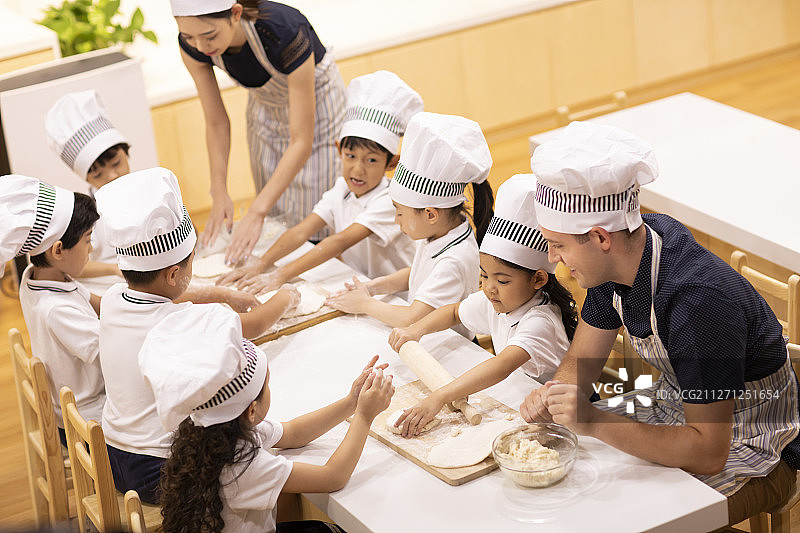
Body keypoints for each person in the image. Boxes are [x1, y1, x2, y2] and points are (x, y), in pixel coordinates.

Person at [519, 121, 800, 526]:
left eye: (558, 244)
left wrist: (593, 420)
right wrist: (557, 394)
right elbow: (582, 360)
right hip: (676, 400)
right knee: (580, 480)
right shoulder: (619, 261)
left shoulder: (698, 302)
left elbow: (709, 453)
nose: (552, 258)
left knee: (632, 517)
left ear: (600, 237)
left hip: (755, 440)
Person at [94, 167, 300, 503]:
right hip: (157, 469)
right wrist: (286, 296)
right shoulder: (180, 323)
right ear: (174, 273)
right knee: (251, 453)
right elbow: (255, 324)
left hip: (113, 454)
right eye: (192, 262)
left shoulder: (114, 298)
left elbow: (169, 294)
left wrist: (221, 293)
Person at [140, 304, 394, 533]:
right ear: (252, 410)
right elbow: (333, 477)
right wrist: (364, 416)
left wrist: (351, 402)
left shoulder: (208, 429)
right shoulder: (243, 466)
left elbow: (293, 432)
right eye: (267, 386)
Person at [387, 174, 576, 437]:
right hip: (522, 400)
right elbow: (454, 312)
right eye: (484, 276)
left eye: (502, 280)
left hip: (562, 415)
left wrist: (440, 396)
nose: (488, 288)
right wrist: (416, 330)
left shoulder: (540, 321)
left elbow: (501, 366)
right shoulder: (500, 299)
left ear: (538, 279)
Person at [172, 0, 346, 264]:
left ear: (235, 13)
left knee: (318, 219)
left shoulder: (284, 31)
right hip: (266, 110)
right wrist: (218, 191)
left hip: (318, 109)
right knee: (277, 216)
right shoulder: (193, 45)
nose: (201, 46)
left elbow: (302, 141)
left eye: (210, 36)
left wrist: (256, 211)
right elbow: (216, 122)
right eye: (189, 37)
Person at [217, 70, 421, 293]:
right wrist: (261, 264)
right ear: (339, 150)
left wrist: (280, 276)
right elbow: (302, 230)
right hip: (363, 286)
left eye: (371, 160)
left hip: (399, 294)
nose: (358, 169)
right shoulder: (341, 189)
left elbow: (339, 242)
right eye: (350, 156)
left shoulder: (390, 200)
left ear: (391, 163)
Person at [326, 112, 494, 335]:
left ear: (430, 214)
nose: (396, 220)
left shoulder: (453, 259)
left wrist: (365, 304)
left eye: (399, 213)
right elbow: (417, 274)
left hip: (451, 346)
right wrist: (372, 287)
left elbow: (411, 317)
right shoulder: (440, 232)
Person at [0, 175, 104, 445]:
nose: (91, 249)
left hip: (71, 409)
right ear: (58, 250)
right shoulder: (57, 309)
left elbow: (95, 302)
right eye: (87, 240)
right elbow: (109, 354)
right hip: (86, 422)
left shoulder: (35, 279)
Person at [45, 90, 131, 294]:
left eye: (116, 163)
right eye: (97, 174)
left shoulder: (150, 187)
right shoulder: (84, 214)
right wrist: (115, 269)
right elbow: (70, 264)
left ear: (126, 152)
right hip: (110, 286)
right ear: (86, 178)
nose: (112, 176)